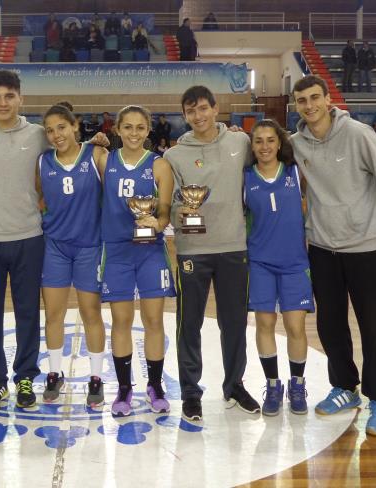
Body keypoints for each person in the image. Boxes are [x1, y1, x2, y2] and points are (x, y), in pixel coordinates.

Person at [0, 70, 108, 411]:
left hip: (30, 237)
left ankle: (26, 377)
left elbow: (71, 146)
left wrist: (97, 141)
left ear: (20, 99)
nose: (3, 102)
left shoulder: (37, 135)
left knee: (29, 313)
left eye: (9, 96)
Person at [291, 75, 376, 437]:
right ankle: (345, 388)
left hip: (366, 248)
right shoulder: (297, 143)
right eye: (302, 101)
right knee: (330, 326)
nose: (309, 105)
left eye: (315, 98)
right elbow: (259, 150)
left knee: (373, 328)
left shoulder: (359, 134)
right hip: (322, 250)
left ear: (328, 99)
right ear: (296, 106)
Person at [164, 85, 260, 422]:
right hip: (193, 250)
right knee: (188, 323)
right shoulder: (174, 155)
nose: (198, 116)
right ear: (185, 115)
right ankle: (191, 390)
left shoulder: (240, 142)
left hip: (234, 246)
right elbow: (170, 204)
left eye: (203, 108)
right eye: (191, 111)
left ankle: (234, 384)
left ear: (215, 108)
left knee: (233, 322)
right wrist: (180, 215)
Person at [98, 105, 176, 416]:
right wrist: (93, 142)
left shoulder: (160, 165)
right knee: (121, 321)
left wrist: (159, 221)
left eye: (140, 127)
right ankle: (124, 388)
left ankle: (154, 385)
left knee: (154, 320)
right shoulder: (104, 160)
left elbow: (166, 210)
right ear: (117, 129)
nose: (133, 133)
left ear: (148, 131)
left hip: (150, 252)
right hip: (116, 251)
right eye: (127, 127)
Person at [37, 104, 108, 407]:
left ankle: (95, 378)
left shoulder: (95, 156)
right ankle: (54, 373)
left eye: (61, 127)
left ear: (75, 126)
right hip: (55, 246)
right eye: (50, 130)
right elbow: (39, 198)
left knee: (91, 313)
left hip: (90, 246)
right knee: (54, 314)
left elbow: (116, 191)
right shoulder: (42, 162)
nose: (56, 135)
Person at [244, 119, 313, 416]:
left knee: (295, 326)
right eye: (258, 141)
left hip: (295, 263)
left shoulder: (296, 173)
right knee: (265, 323)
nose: (265, 146)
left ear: (280, 142)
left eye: (270, 140)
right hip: (260, 262)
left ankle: (297, 383)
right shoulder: (245, 178)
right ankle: (273, 384)